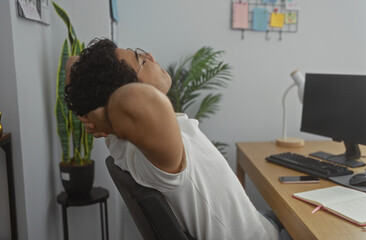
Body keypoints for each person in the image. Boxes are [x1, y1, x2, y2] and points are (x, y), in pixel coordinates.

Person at [65, 38, 291, 240]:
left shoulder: (118, 141)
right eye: (141, 60)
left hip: (261, 222)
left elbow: (72, 61)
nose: (150, 56)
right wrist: (107, 115)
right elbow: (141, 101)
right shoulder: (155, 159)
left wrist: (95, 110)